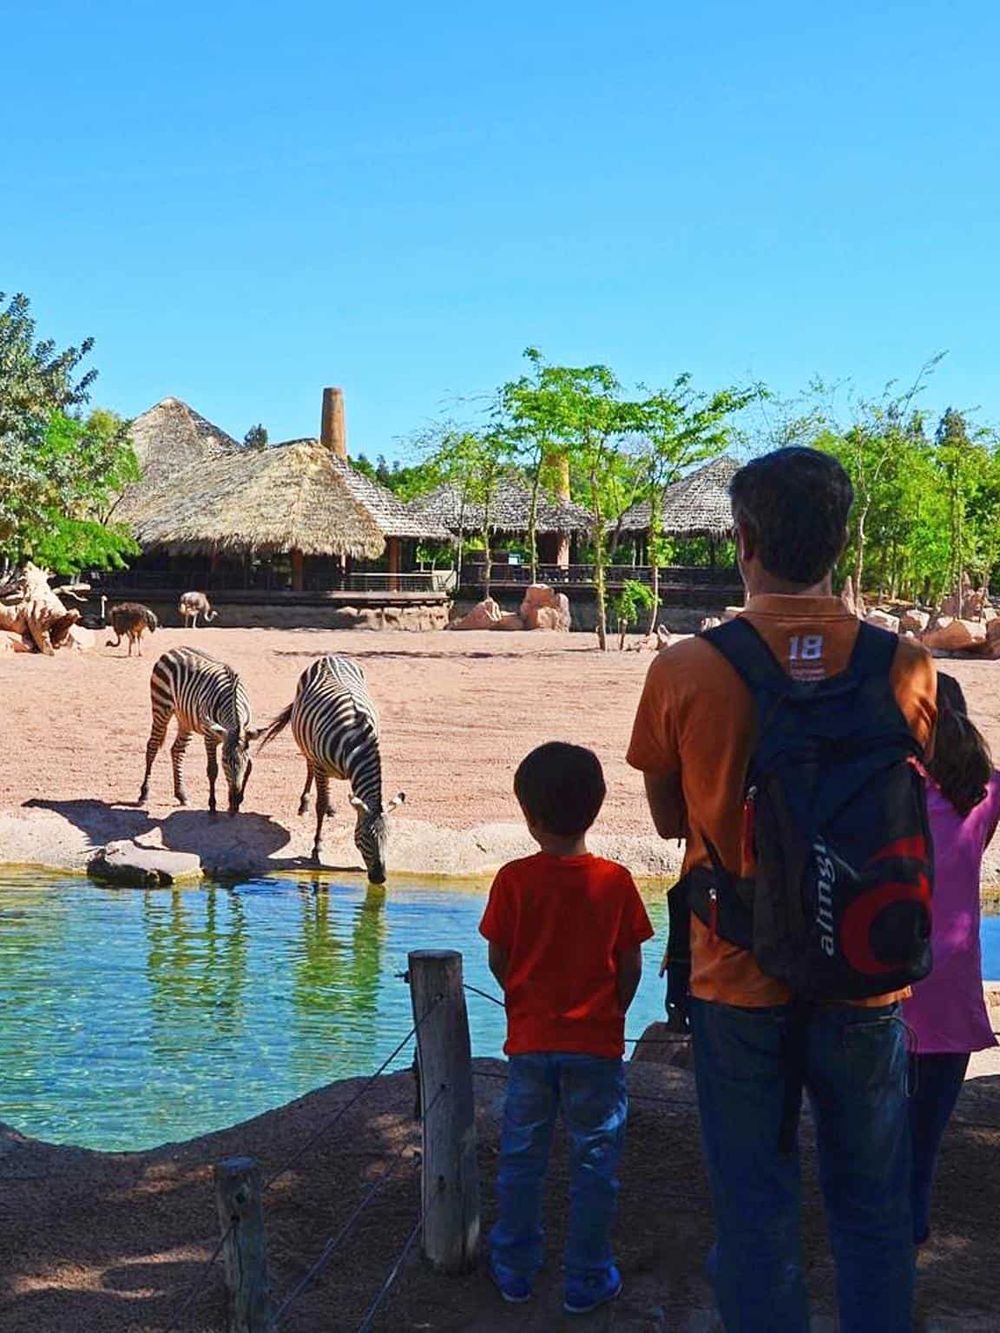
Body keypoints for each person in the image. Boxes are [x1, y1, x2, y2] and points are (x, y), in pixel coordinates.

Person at [626, 447, 937, 1333]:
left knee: (756, 1215)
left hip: (737, 975)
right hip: (867, 972)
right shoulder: (907, 667)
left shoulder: (686, 669)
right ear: (842, 539)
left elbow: (663, 818)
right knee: (873, 1211)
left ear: (743, 540)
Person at [479, 741, 654, 1316]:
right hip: (597, 1046)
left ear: (528, 816)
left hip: (530, 1044)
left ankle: (514, 1267)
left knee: (522, 1157)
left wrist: (522, 1000)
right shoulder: (617, 881)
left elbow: (498, 958)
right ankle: (587, 1275)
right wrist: (612, 1008)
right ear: (598, 806)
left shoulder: (512, 881)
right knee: (595, 1160)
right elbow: (630, 966)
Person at [903, 672, 999, 1246]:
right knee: (925, 1142)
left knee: (877, 1136)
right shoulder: (986, 793)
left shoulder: (892, 786)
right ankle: (911, 1234)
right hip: (955, 990)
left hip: (892, 982)